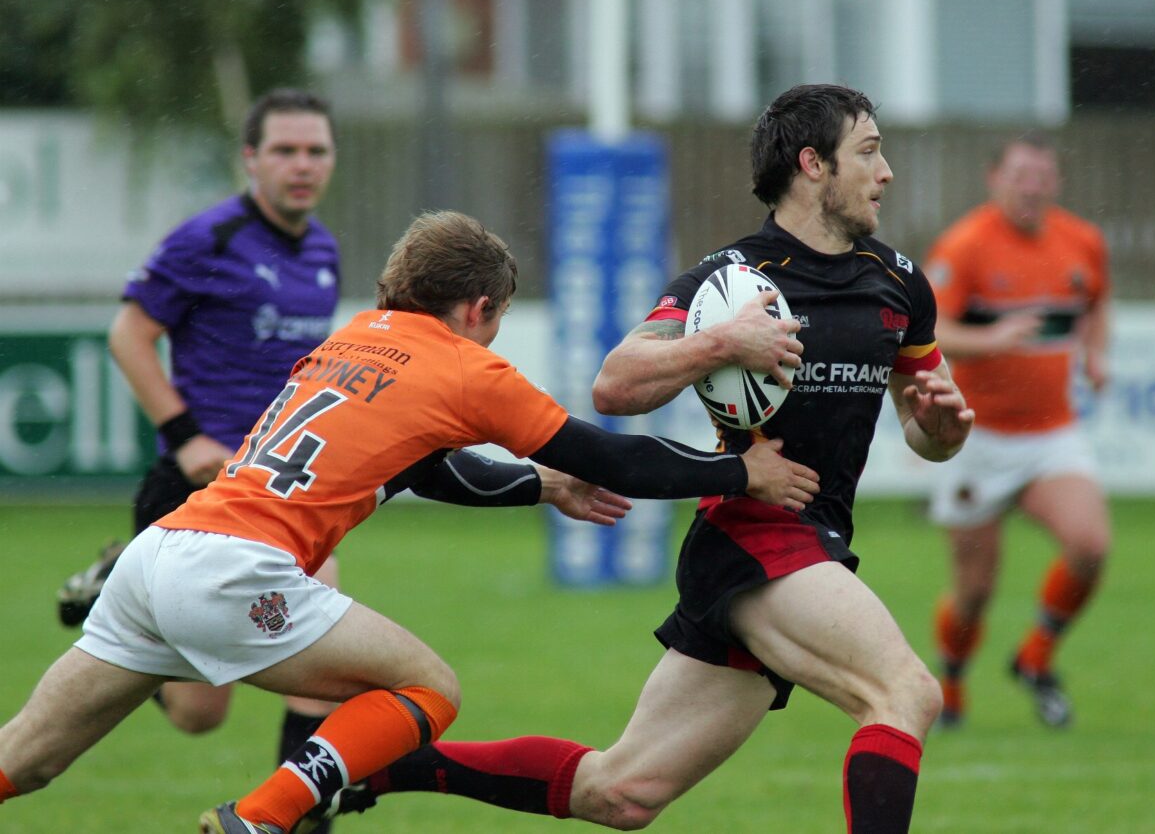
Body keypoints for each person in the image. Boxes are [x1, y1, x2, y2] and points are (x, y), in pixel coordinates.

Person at [0, 210, 818, 834]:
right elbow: (615, 457)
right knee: (430, 687)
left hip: (159, 555)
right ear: (478, 305)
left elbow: (431, 469)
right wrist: (740, 470)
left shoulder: (353, 338)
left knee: (26, 759)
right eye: (495, 320)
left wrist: (542, 489)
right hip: (232, 572)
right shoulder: (465, 365)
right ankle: (262, 817)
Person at [309, 83, 974, 834]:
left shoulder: (900, 283)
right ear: (812, 164)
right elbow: (616, 383)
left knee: (621, 792)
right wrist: (721, 343)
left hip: (812, 540)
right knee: (904, 694)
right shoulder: (729, 283)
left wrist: (941, 429)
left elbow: (928, 435)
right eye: (869, 151)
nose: (885, 171)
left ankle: (381, 768)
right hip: (754, 534)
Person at [54, 88, 349, 805]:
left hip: (284, 490)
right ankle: (116, 584)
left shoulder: (323, 251)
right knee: (198, 714)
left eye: (315, 151)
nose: (301, 165)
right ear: (250, 159)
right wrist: (187, 438)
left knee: (329, 665)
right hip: (200, 487)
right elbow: (129, 335)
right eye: (284, 150)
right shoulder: (207, 240)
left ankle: (290, 817)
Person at [920, 130, 1112, 729]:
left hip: (1052, 432)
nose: (1031, 188)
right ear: (994, 179)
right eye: (1020, 176)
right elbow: (924, 328)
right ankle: (949, 683)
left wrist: (1095, 355)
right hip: (977, 437)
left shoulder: (1081, 241)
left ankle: (1035, 658)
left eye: (1042, 177)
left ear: (1055, 183)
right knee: (974, 592)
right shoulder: (967, 245)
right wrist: (990, 339)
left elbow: (1098, 303)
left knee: (1090, 544)